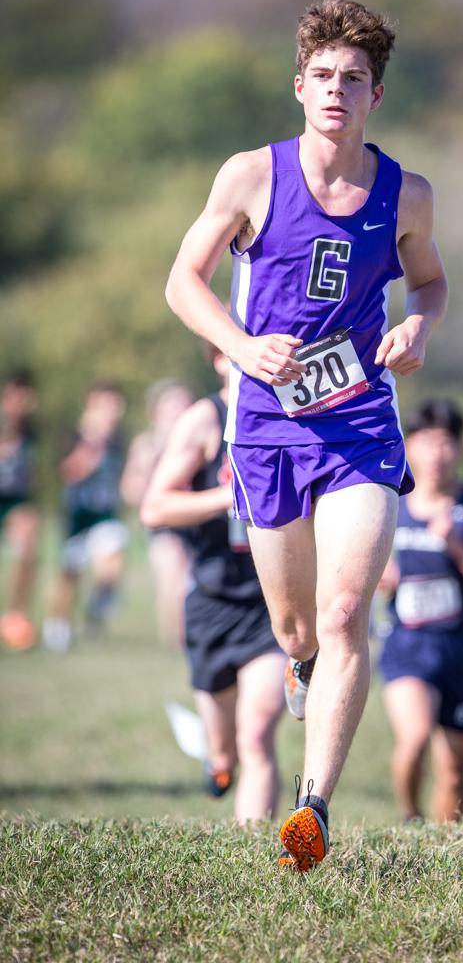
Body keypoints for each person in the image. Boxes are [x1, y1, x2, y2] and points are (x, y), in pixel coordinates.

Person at [164, 0, 447, 869]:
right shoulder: (251, 175)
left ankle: (312, 809)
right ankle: (299, 667)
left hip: (360, 421)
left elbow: (431, 283)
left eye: (353, 80)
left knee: (348, 609)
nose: (336, 91)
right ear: (299, 88)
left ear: (377, 95)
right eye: (322, 77)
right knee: (297, 632)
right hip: (264, 431)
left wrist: (418, 327)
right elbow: (183, 282)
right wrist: (244, 347)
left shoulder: (408, 193)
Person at [140, 346, 286, 823]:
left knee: (258, 733)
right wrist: (230, 496)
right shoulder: (206, 419)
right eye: (235, 354)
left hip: (271, 603)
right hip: (212, 602)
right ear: (218, 361)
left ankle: (248, 854)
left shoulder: (291, 410)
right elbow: (155, 507)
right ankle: (218, 762)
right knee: (227, 747)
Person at [378, 399, 463, 822]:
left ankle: (448, 846)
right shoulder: (389, 501)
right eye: (427, 442)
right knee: (414, 738)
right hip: (406, 644)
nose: (437, 454)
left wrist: (456, 544)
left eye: (447, 443)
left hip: (458, 647)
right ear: (409, 446)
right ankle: (410, 817)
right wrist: (378, 575)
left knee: (454, 772)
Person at [42, 383, 129, 653]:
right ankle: (58, 625)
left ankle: (96, 610)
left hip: (106, 516)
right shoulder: (75, 435)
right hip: (77, 517)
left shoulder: (118, 439)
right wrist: (93, 443)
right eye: (107, 404)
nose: (112, 411)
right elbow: (71, 472)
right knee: (70, 574)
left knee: (113, 565)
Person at [121, 379, 194, 648]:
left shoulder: (198, 437)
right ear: (156, 411)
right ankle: (175, 644)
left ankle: (191, 639)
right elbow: (129, 488)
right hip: (163, 524)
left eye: (184, 403)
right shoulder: (146, 444)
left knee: (192, 583)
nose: (178, 409)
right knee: (172, 579)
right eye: (172, 404)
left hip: (196, 520)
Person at [0, 370, 40, 651]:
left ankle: (15, 617)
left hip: (16, 499)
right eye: (17, 394)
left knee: (28, 548)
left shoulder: (32, 429)